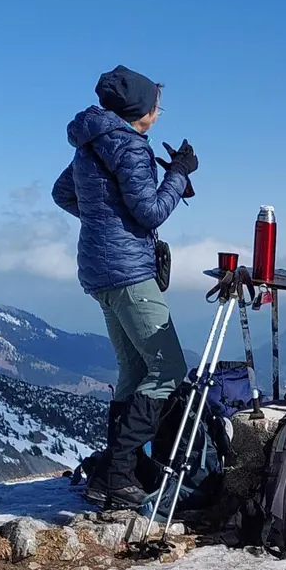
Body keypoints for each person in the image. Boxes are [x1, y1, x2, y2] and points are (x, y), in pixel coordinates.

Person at [52, 65, 197, 510]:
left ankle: (120, 472)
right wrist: (179, 174)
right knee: (168, 369)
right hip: (131, 274)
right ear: (143, 110)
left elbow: (63, 193)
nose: (159, 111)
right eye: (157, 104)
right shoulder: (129, 147)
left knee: (134, 371)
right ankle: (117, 470)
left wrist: (103, 220)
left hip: (98, 270)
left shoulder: (91, 142)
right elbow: (150, 212)